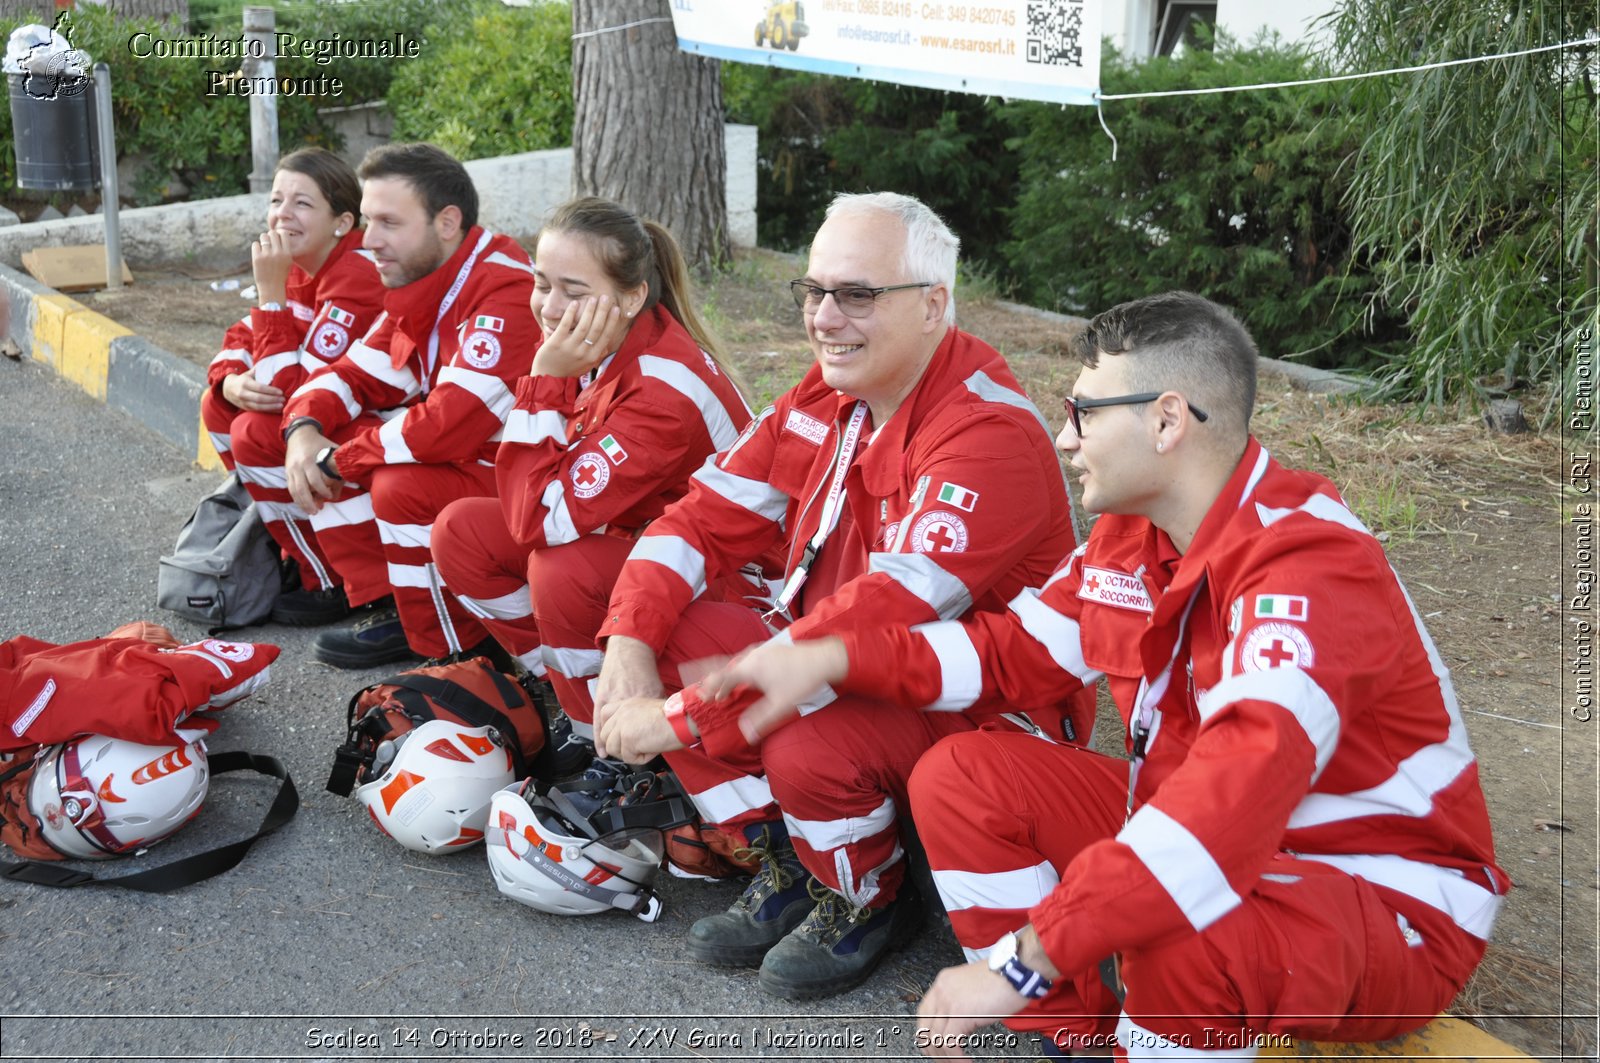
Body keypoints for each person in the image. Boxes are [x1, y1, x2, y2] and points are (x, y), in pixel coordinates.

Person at [699, 291, 1508, 1059]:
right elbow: (1007, 654)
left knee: (1183, 924)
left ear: (1165, 422)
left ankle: (1108, 1005)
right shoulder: (1134, 535)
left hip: (1382, 896)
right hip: (1228, 844)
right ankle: (1081, 1035)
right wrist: (831, 656)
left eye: (1085, 411)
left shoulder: (1309, 564)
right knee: (961, 777)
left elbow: (1227, 808)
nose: (1065, 437)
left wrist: (1022, 959)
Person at [583, 191, 1092, 1000]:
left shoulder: (986, 435)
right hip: (851, 664)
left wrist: (671, 718)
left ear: (933, 306)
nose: (824, 316)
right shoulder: (824, 398)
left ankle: (865, 894)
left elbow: (875, 623)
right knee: (677, 628)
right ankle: (788, 847)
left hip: (986, 707)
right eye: (814, 291)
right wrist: (631, 645)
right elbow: (695, 522)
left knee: (806, 734)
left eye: (856, 294)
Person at [430, 197, 753, 752]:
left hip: (727, 581)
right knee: (461, 532)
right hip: (643, 547)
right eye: (541, 283)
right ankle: (562, 686)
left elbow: (537, 520)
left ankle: (600, 745)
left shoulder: (660, 391)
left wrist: (543, 382)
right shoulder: (596, 341)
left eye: (573, 291)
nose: (550, 308)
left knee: (559, 566)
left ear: (632, 297)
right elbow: (530, 504)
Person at [230, 142, 540, 669]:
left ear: (447, 222)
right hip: (489, 460)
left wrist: (336, 459)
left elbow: (448, 425)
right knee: (276, 433)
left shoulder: (503, 288)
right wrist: (304, 428)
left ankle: (459, 652)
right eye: (369, 222)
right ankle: (396, 601)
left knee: (400, 484)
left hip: (538, 483)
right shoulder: (428, 273)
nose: (369, 241)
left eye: (388, 223)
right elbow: (354, 374)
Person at [200, 146, 385, 627]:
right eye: (276, 200)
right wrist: (230, 382)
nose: (282, 214)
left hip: (382, 420)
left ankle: (336, 579)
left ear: (342, 223)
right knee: (219, 407)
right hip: (329, 412)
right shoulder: (302, 263)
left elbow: (296, 394)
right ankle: (297, 548)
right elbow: (240, 339)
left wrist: (271, 296)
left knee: (258, 433)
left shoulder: (356, 275)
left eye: (302, 203)